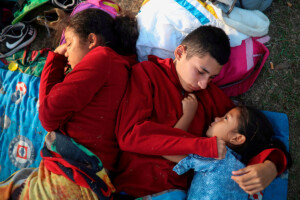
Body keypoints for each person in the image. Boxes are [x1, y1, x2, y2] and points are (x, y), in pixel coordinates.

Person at [113, 25, 287, 198]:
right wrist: (202, 146)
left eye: (211, 77)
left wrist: (271, 166)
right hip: (135, 189)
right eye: (201, 72)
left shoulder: (208, 94)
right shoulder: (148, 74)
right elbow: (131, 135)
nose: (203, 84)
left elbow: (247, 134)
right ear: (180, 53)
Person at [0, 8, 138, 199]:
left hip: (75, 178)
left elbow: (48, 115)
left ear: (91, 40)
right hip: (83, 178)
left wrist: (54, 60)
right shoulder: (121, 67)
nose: (66, 52)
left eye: (70, 43)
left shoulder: (102, 58)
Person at [167, 99, 291, 200]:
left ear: (237, 138)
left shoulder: (216, 154)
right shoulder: (244, 170)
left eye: (225, 118)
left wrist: (188, 114)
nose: (216, 118)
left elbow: (170, 149)